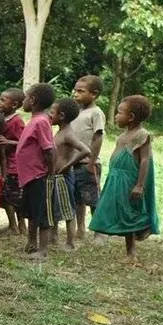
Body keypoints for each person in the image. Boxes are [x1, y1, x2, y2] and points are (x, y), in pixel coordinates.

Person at [89, 95, 160, 259]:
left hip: (129, 180)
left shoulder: (141, 134)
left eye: (120, 112)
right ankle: (125, 238)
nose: (116, 116)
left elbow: (145, 160)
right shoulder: (122, 136)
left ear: (131, 117)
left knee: (130, 213)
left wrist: (140, 185)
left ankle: (134, 246)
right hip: (116, 179)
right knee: (120, 210)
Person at [16, 83, 57, 259]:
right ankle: (32, 243)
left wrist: (50, 173)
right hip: (29, 177)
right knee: (32, 211)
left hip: (39, 175)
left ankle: (43, 250)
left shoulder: (41, 121)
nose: (23, 101)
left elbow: (49, 150)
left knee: (42, 213)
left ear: (32, 100)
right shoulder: (34, 121)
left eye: (25, 97)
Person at [49, 98, 91, 250]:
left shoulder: (68, 134)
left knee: (67, 210)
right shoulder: (60, 132)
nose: (49, 115)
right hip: (55, 176)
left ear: (61, 116)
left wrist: (68, 165)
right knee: (53, 206)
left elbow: (85, 150)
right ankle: (53, 236)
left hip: (63, 177)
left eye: (52, 112)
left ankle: (70, 242)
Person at [70, 75, 106, 240]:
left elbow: (98, 137)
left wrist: (92, 161)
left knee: (93, 198)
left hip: (88, 163)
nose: (76, 94)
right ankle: (80, 229)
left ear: (94, 94)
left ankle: (99, 232)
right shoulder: (76, 112)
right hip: (74, 162)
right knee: (78, 198)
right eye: (75, 90)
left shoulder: (96, 113)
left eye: (81, 91)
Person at [0, 88, 27, 235]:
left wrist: (8, 141)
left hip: (14, 165)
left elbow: (24, 141)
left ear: (14, 104)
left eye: (3, 100)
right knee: (6, 196)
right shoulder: (2, 118)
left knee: (12, 197)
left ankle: (17, 226)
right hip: (4, 163)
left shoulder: (17, 121)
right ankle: (14, 225)